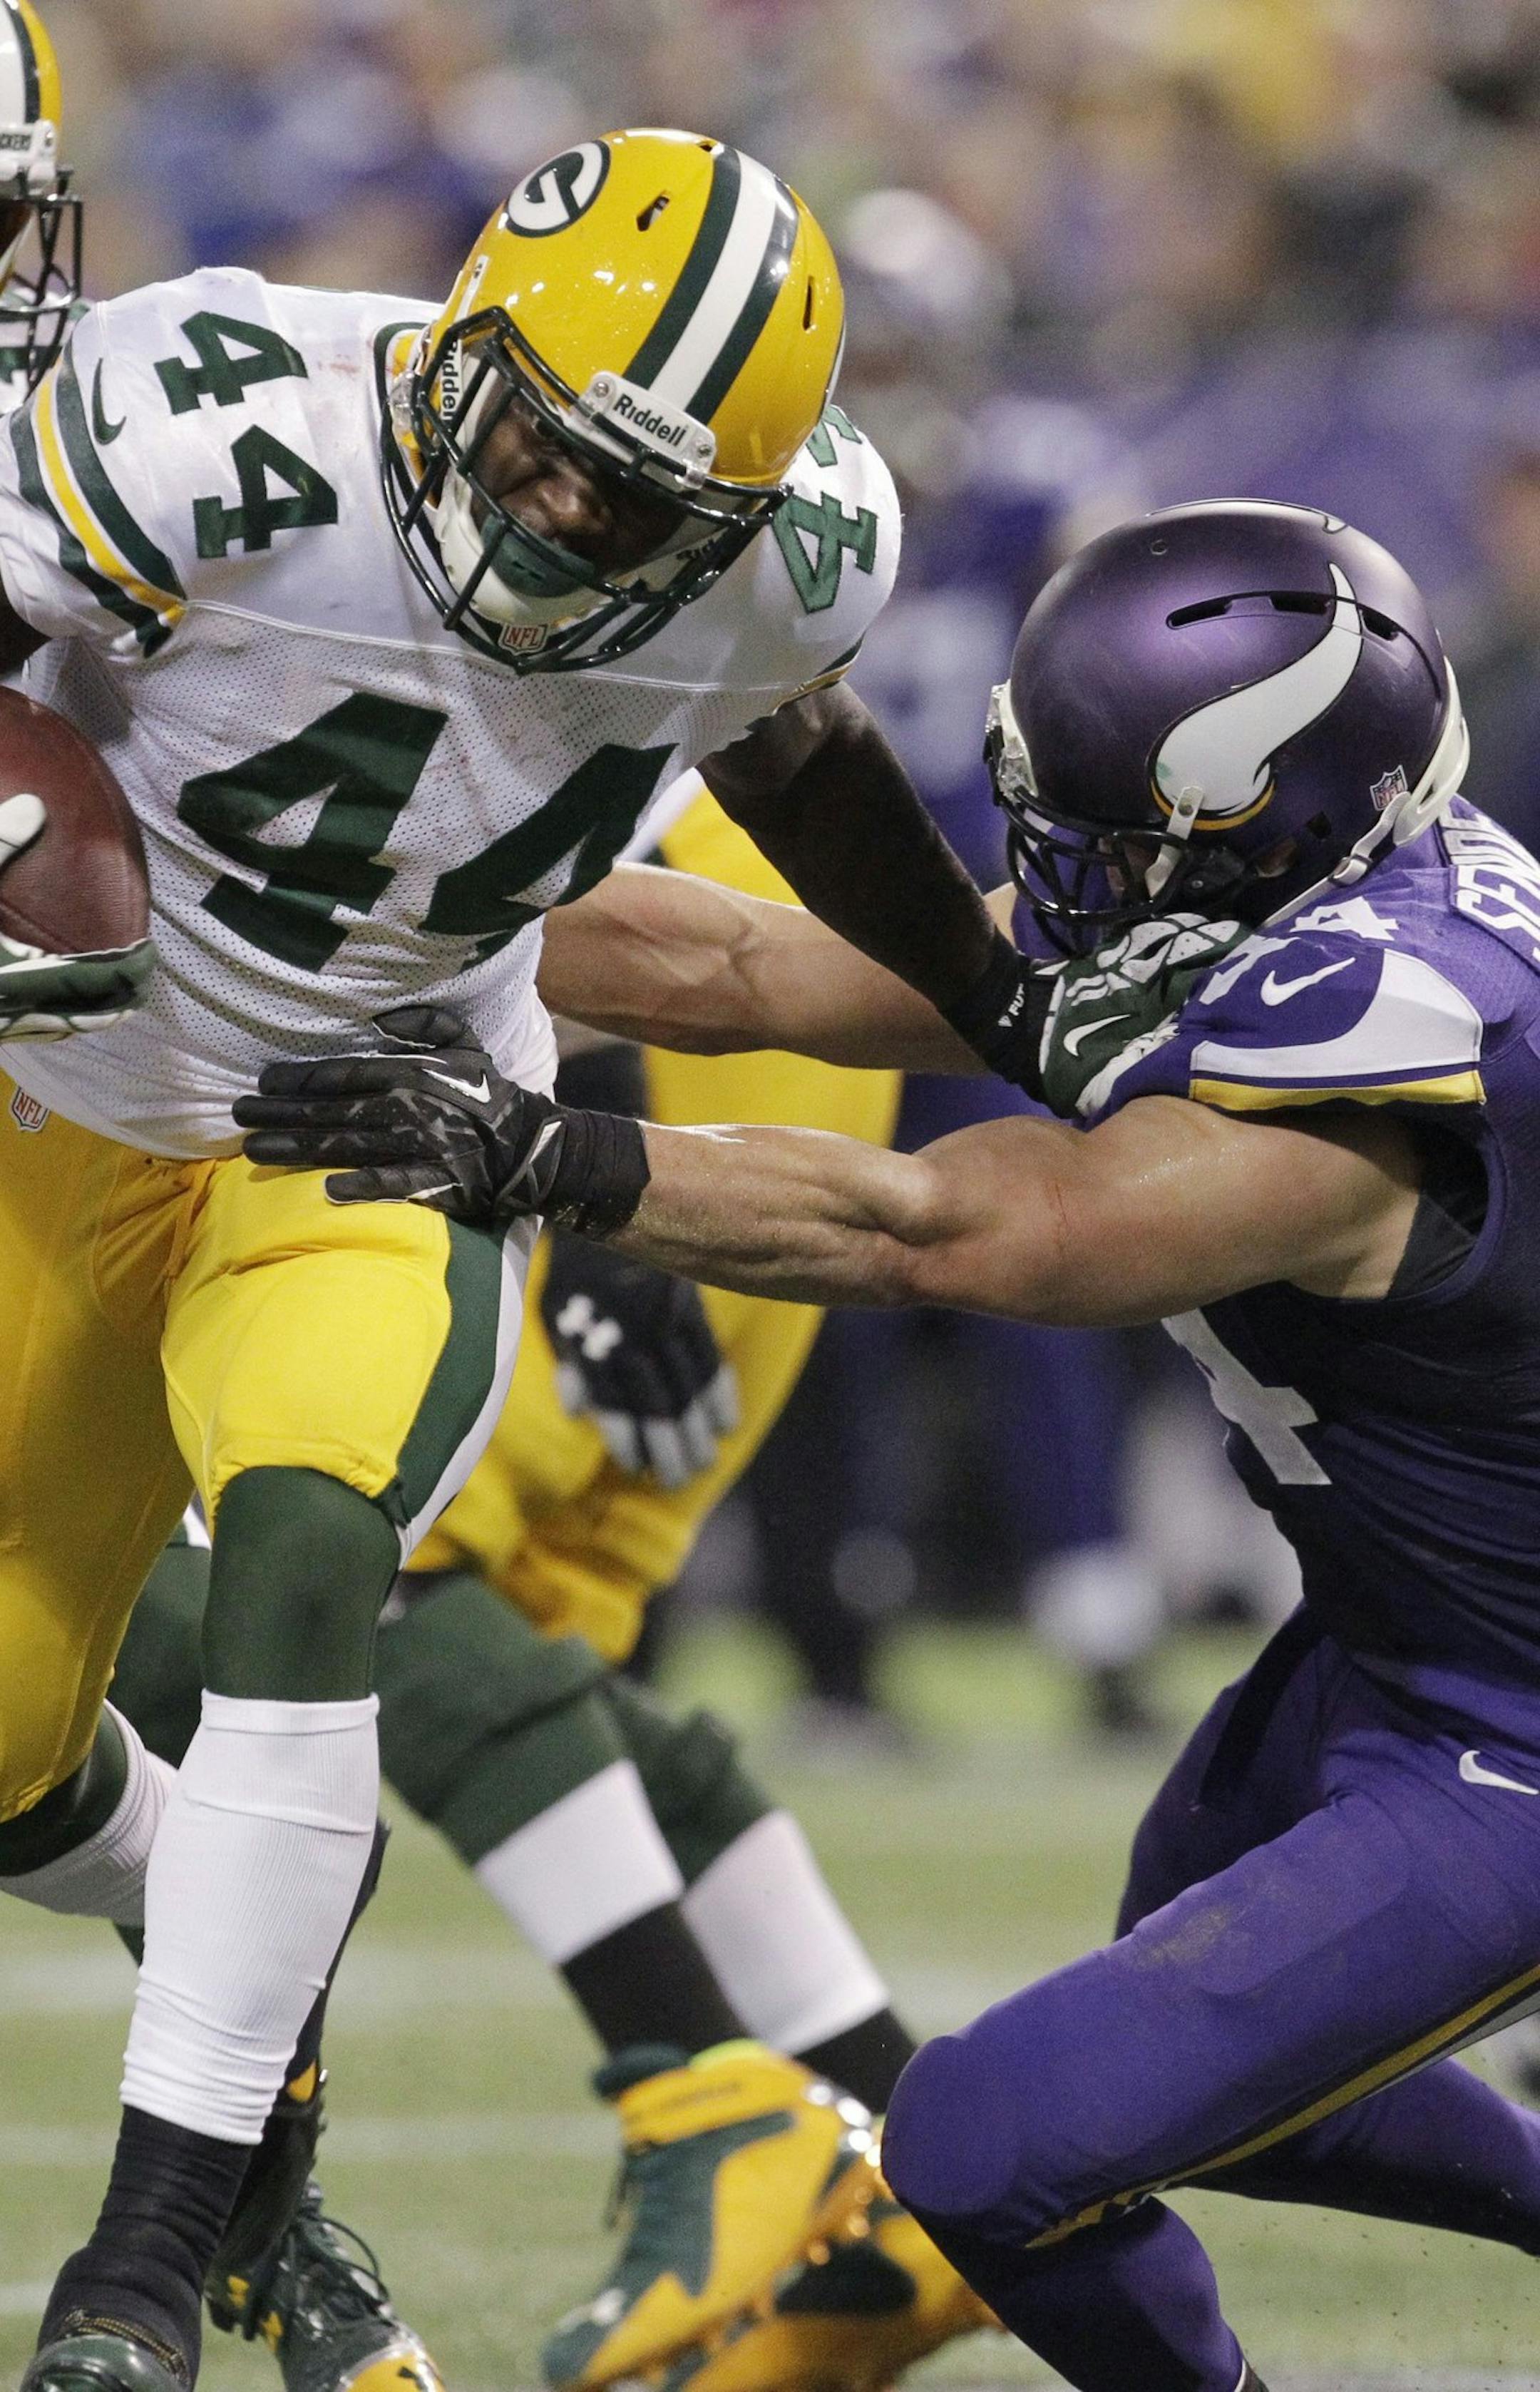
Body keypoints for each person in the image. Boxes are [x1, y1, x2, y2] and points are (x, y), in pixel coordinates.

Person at [246, 496, 1540, 2392]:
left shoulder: (1371, 1052)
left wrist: (547, 1155)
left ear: (1273, 822)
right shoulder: (1275, 891)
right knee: (1235, 2066)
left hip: (1512, 1730)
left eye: (1111, 844)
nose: (1060, 879)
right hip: (1397, 1641)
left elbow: (942, 1230)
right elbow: (751, 971)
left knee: (988, 2145)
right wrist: (306, 897)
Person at [0, 125, 1057, 2392]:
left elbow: (796, 780)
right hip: (67, 1106)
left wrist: (1001, 999)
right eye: (549, 445)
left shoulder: (785, 568)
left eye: (643, 502)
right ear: (462, 343)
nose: (571, 513)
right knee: (8, 1738)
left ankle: (148, 2267)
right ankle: (358, 2126)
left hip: (373, 1121)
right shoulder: (221, 424)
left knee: (323, 1562)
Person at [110, 783, 991, 2392]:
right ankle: (939, 2177)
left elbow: (539, 840)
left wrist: (601, 1196)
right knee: (518, 1667)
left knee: (328, 1580)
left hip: (607, 1136)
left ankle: (707, 2097)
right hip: (747, 1122)